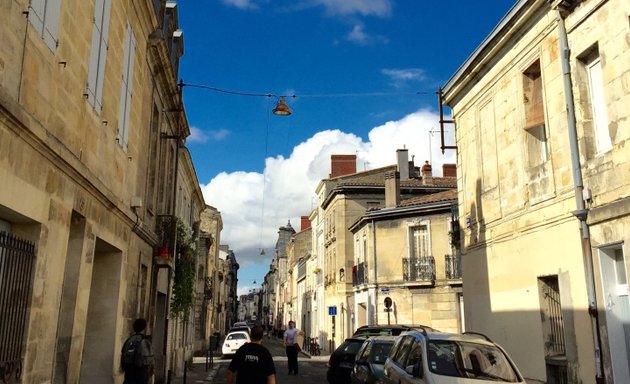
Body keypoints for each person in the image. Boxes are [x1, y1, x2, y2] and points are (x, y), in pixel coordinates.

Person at [121, 318, 154, 384]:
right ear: (144, 328)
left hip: (129, 374)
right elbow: (149, 360)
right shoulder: (145, 341)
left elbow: (123, 356)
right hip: (141, 374)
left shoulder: (129, 340)